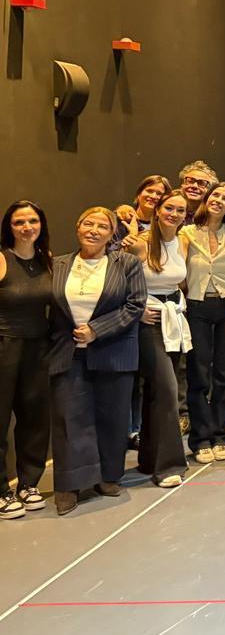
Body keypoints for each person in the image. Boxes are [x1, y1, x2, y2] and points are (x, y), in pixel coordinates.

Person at [48, 207, 147, 515]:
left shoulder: (127, 263)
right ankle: (70, 485)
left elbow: (135, 304)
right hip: (67, 351)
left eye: (102, 226)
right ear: (78, 227)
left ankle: (107, 476)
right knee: (69, 418)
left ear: (112, 234)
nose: (93, 230)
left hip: (113, 349)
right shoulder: (57, 264)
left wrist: (96, 330)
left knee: (112, 417)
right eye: (88, 223)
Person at [183, 182, 225, 464]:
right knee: (198, 374)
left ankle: (220, 435)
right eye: (215, 195)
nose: (219, 201)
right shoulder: (187, 233)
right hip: (196, 306)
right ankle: (200, 439)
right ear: (206, 200)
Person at [128, 190, 190, 488]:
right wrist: (137, 309)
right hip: (149, 324)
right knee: (167, 389)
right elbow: (118, 281)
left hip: (173, 320)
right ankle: (169, 466)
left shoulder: (183, 241)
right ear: (157, 210)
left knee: (158, 391)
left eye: (180, 210)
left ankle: (149, 458)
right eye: (169, 208)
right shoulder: (139, 244)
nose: (174, 214)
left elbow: (178, 282)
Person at [0, 201, 54, 519]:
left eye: (32, 220)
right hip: (4, 346)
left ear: (41, 224)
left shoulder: (46, 259)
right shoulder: (1, 259)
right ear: (9, 227)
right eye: (19, 222)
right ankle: (1, 492)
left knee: (35, 418)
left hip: (38, 348)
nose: (26, 227)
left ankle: (28, 484)